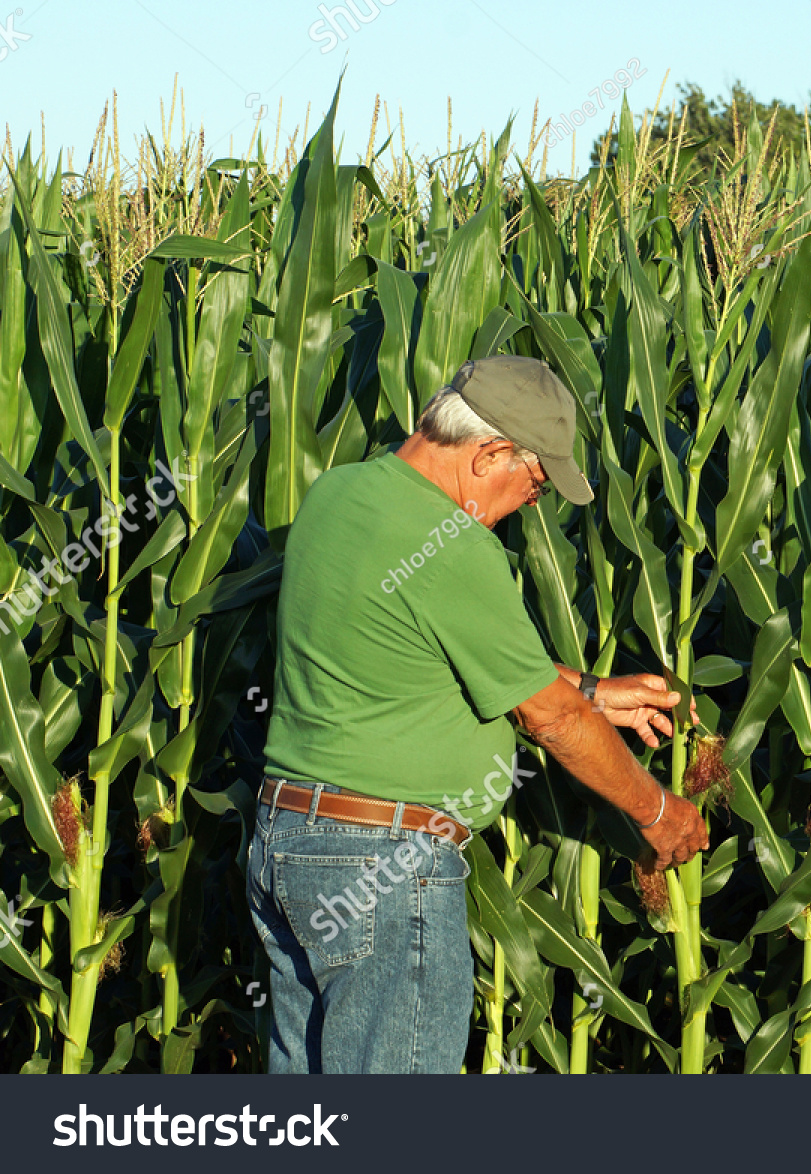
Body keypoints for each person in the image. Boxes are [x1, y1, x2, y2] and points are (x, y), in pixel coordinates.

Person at [246, 355, 709, 1073]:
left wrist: (590, 688)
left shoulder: (339, 495)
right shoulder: (452, 547)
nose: (534, 503)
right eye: (534, 482)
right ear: (489, 453)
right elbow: (549, 720)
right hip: (385, 869)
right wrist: (656, 812)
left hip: (289, 846)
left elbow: (422, 639)